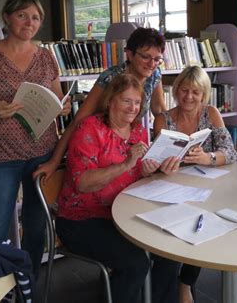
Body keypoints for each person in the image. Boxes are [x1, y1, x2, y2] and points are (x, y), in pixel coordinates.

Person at [56, 74, 178, 303]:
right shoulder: (89, 129)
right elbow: (82, 183)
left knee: (170, 250)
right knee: (135, 263)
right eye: (126, 101)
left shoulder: (139, 131)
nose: (133, 108)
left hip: (124, 213)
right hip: (82, 219)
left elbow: (139, 173)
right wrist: (125, 164)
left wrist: (154, 168)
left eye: (137, 102)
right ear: (110, 100)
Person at [0, 0, 71, 278]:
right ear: (7, 17)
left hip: (42, 152)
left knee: (35, 226)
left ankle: (29, 286)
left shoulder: (46, 57)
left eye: (36, 17)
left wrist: (62, 107)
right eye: (22, 15)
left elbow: (58, 95)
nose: (29, 22)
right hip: (0, 155)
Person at [153, 65, 237, 303]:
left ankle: (186, 282)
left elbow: (230, 152)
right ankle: (166, 285)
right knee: (172, 232)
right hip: (170, 187)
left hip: (207, 189)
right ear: (176, 90)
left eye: (195, 92)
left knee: (203, 225)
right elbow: (154, 161)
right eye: (183, 90)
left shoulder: (210, 114)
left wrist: (208, 158)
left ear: (203, 95)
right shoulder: (163, 120)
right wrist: (162, 165)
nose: (188, 97)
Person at [34, 26, 167, 179]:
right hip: (100, 144)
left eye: (157, 59)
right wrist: (55, 161)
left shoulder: (155, 74)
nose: (152, 63)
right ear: (130, 54)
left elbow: (160, 111)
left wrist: (170, 147)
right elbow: (79, 120)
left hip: (129, 141)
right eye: (145, 57)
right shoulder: (111, 77)